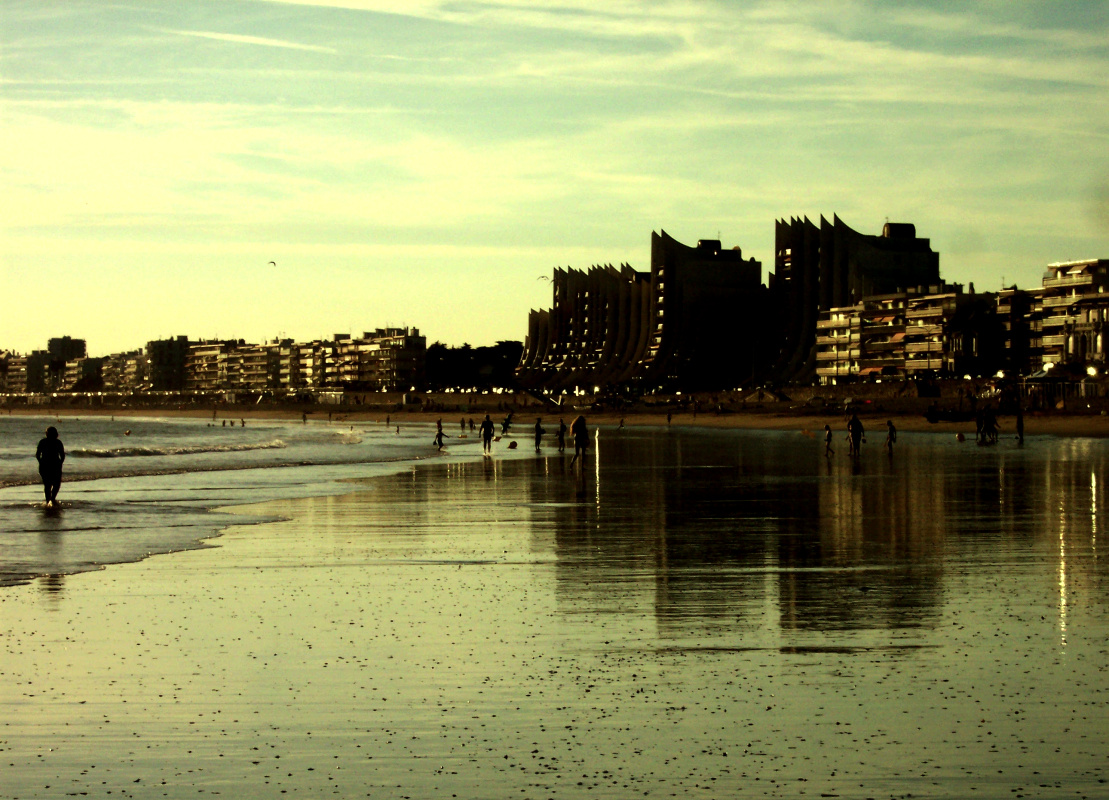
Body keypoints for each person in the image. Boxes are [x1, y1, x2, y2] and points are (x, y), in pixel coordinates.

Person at [36, 426, 65, 506]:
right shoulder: (45, 442)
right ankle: (50, 500)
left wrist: (41, 462)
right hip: (49, 465)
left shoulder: (56, 442)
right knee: (51, 484)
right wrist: (60, 463)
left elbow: (38, 455)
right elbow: (62, 456)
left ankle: (50, 500)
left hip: (51, 465)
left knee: (51, 484)